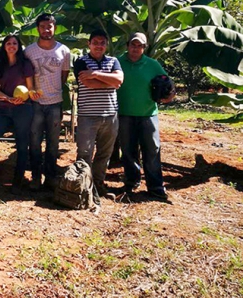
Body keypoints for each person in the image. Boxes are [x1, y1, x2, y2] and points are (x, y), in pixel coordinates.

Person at [117, 32, 173, 200]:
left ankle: (155, 186)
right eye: (133, 45)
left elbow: (168, 83)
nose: (136, 48)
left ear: (144, 47)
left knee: (152, 151)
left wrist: (170, 95)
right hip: (124, 113)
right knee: (128, 150)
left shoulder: (152, 64)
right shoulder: (117, 62)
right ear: (127, 45)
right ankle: (132, 180)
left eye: (140, 45)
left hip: (148, 114)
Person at [73, 29, 124, 198]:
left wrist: (95, 74)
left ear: (106, 45)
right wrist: (110, 81)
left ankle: (98, 185)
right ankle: (84, 188)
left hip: (110, 116)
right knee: (84, 153)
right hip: (88, 115)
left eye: (102, 42)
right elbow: (88, 84)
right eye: (95, 42)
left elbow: (119, 80)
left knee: (104, 153)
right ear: (89, 44)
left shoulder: (113, 60)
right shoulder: (80, 61)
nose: (99, 46)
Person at [24, 13, 71, 191]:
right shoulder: (29, 51)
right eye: (43, 26)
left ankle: (50, 176)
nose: (46, 29)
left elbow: (64, 76)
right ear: (38, 28)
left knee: (53, 143)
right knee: (34, 141)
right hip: (35, 103)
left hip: (55, 102)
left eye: (49, 26)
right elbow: (26, 75)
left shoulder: (64, 51)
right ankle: (36, 177)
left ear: (54, 28)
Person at [0, 35, 35, 194]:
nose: (12, 46)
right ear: (4, 46)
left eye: (14, 43)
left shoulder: (25, 65)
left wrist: (25, 97)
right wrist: (8, 98)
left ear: (19, 46)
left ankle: (17, 181)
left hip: (23, 109)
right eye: (8, 43)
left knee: (21, 145)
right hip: (3, 109)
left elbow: (30, 88)